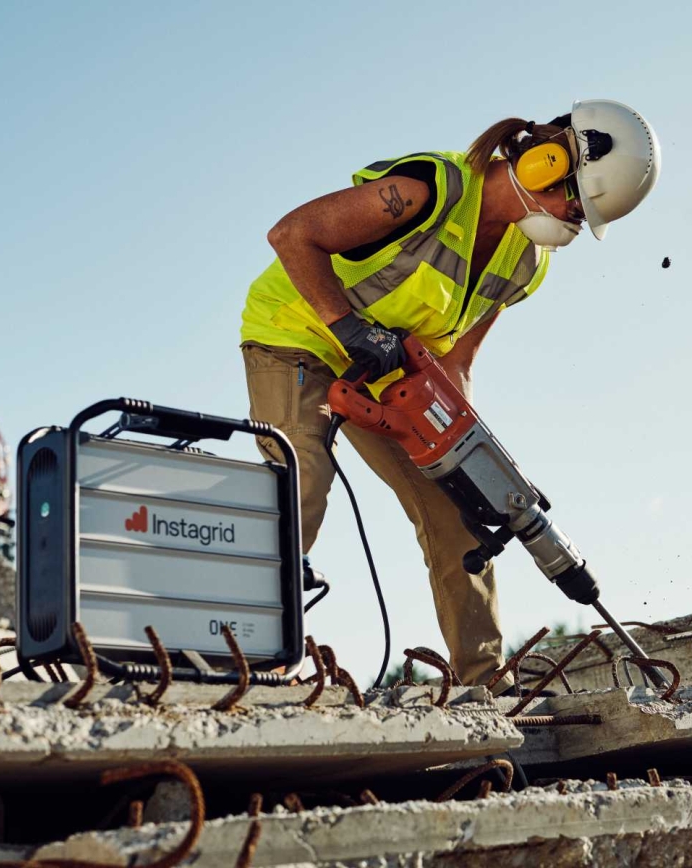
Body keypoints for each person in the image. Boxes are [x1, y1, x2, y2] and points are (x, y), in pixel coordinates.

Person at [240, 100, 660, 687]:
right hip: (296, 336)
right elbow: (292, 235)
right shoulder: (429, 190)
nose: (571, 216)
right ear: (547, 162)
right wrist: (347, 326)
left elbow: (454, 365)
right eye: (576, 200)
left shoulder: (525, 265)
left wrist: (482, 466)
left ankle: (484, 684)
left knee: (460, 511)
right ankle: (244, 657)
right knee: (303, 476)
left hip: (383, 376)